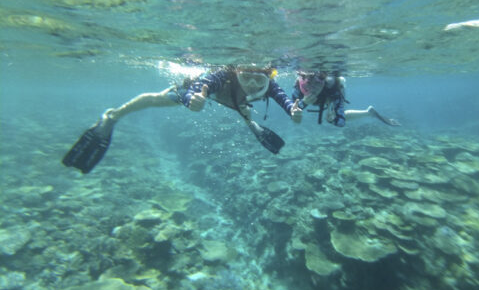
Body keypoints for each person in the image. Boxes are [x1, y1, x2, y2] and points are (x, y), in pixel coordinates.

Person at [63, 64, 302, 174]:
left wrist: (292, 109)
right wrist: (192, 100)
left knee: (245, 112)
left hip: (235, 102)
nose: (252, 84)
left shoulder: (270, 86)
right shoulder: (221, 76)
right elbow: (201, 86)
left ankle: (251, 123)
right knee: (159, 98)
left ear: (268, 79)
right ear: (236, 71)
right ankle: (113, 116)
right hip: (207, 93)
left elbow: (283, 98)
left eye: (259, 81)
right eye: (246, 76)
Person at [292, 71, 400, 127]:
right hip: (322, 93)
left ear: (323, 82)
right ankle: (369, 112)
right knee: (332, 117)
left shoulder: (331, 87)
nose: (312, 88)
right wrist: (303, 103)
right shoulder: (298, 89)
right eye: (308, 83)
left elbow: (341, 122)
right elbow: (292, 113)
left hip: (330, 93)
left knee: (333, 118)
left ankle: (368, 112)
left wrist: (333, 119)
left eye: (317, 83)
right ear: (301, 81)